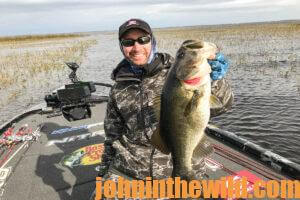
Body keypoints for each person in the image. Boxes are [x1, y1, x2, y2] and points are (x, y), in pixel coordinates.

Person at [96, 18, 233, 197]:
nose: (136, 47)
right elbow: (112, 136)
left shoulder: (174, 73)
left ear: (152, 41)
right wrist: (103, 172)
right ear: (122, 47)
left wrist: (216, 80)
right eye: (128, 42)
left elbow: (223, 105)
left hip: (180, 166)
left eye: (143, 40)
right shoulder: (118, 88)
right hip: (131, 172)